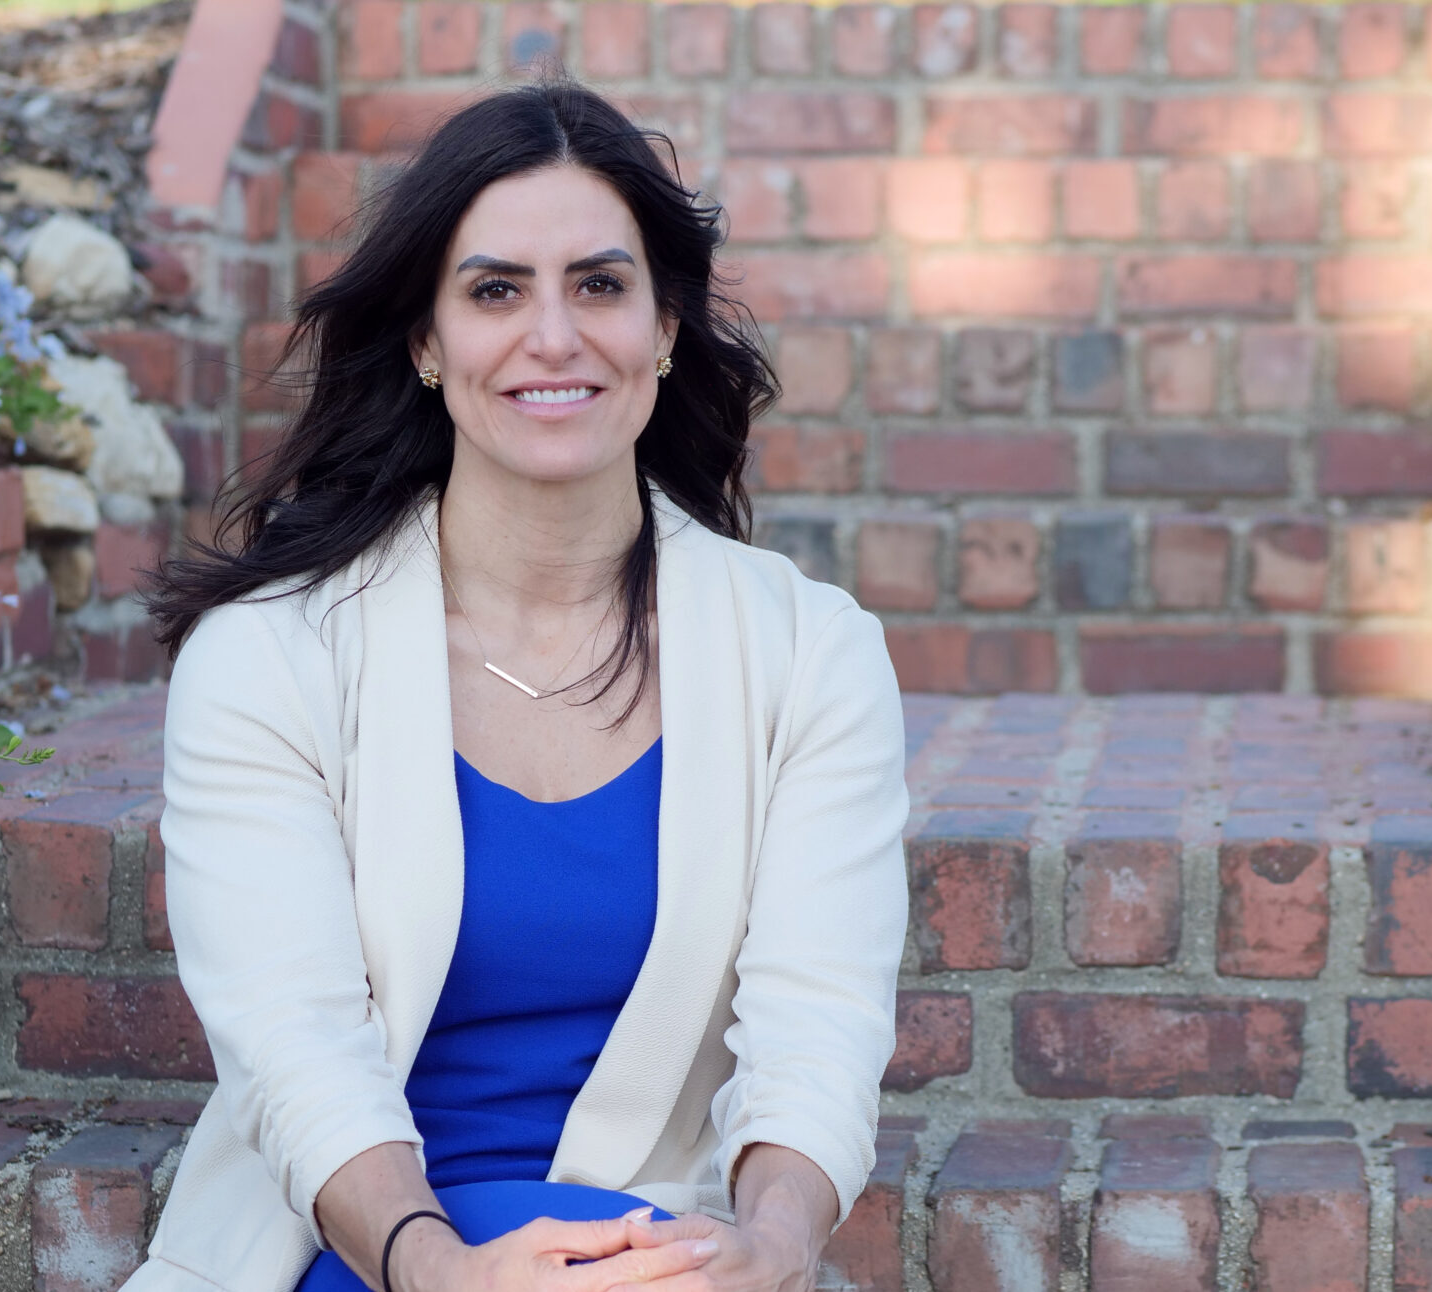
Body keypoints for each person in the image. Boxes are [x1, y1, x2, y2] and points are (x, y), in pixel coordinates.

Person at [124, 81, 908, 1292]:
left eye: (599, 284)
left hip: (654, 1257)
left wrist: (776, 1246)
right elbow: (295, 1047)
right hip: (368, 1255)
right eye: (495, 290)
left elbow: (819, 1022)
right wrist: (443, 1267)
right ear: (428, 342)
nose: (554, 336)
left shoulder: (810, 653)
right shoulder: (269, 655)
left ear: (662, 327)